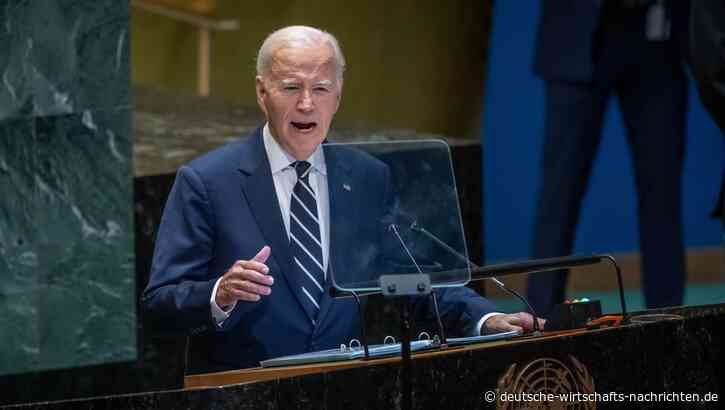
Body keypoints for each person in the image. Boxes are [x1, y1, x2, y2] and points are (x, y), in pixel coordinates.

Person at [143, 26, 541, 371]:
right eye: (291, 87)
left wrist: (484, 318)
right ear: (262, 92)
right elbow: (160, 302)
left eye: (320, 89)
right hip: (243, 390)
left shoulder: (366, 177)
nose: (306, 103)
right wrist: (220, 293)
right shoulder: (208, 181)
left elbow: (406, 277)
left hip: (342, 387)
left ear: (338, 96)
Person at [527, 0, 690, 315]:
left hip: (659, 37)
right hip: (577, 33)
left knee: (663, 194)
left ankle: (668, 324)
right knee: (560, 194)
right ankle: (539, 326)